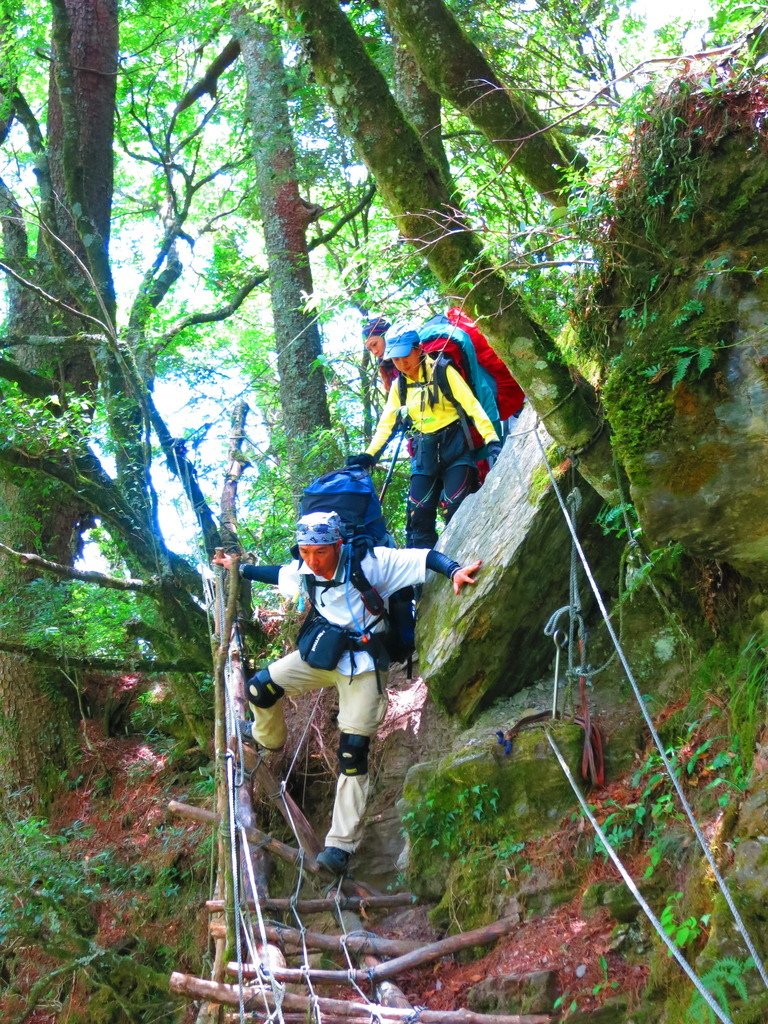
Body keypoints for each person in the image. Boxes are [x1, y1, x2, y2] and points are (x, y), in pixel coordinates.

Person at [213, 510, 482, 876]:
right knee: (260, 687)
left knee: (352, 751)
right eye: (306, 551)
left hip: (365, 666)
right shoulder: (306, 569)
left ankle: (340, 846)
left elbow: (423, 558)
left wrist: (453, 570)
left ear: (338, 545)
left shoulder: (369, 564)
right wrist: (236, 569)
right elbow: (276, 573)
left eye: (320, 552)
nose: (312, 560)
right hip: (327, 655)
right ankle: (267, 738)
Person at [348, 329, 502, 548]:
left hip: (456, 446)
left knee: (455, 505)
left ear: (419, 350)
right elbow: (386, 423)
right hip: (424, 452)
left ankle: (464, 557)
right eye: (396, 359)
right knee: (418, 514)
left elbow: (472, 406)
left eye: (405, 356)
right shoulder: (398, 386)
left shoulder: (442, 371)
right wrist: (368, 455)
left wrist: (491, 440)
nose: (401, 363)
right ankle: (425, 574)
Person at [362, 315, 397, 393]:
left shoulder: (412, 353)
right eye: (370, 349)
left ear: (386, 337)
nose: (374, 352)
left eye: (374, 344)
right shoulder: (384, 369)